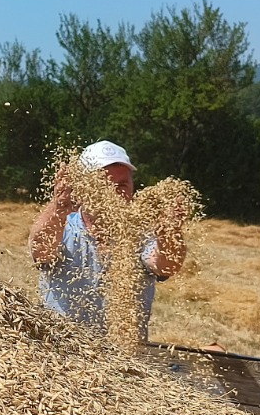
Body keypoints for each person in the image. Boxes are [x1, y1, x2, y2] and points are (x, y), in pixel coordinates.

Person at [27, 140, 189, 340]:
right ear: (83, 188)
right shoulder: (63, 225)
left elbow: (166, 266)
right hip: (62, 354)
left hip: (121, 359)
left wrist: (169, 233)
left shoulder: (140, 233)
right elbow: (41, 251)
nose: (115, 193)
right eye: (105, 185)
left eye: (122, 184)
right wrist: (59, 207)